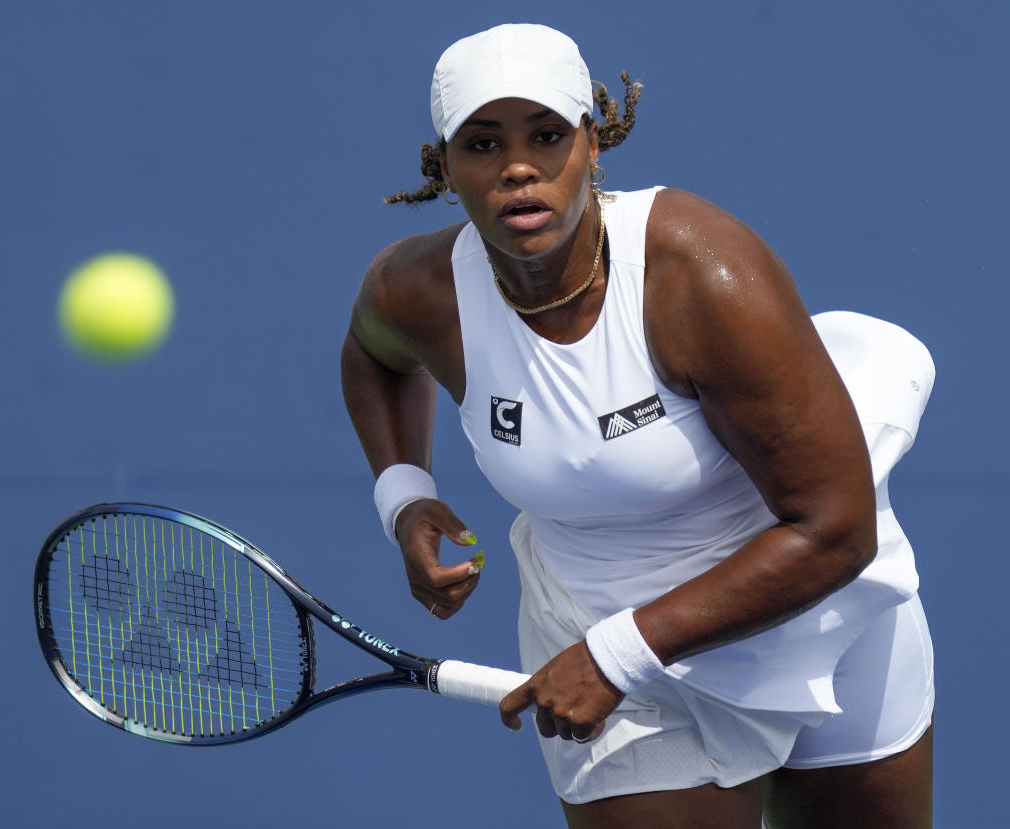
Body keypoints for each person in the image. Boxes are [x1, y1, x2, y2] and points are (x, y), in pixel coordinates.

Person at [342, 23, 935, 829]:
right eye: (483, 144)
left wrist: (618, 654)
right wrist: (404, 495)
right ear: (446, 166)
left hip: (808, 599)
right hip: (591, 621)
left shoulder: (699, 275)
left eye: (547, 135)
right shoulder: (419, 291)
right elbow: (374, 357)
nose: (518, 166)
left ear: (593, 143)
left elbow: (835, 529)